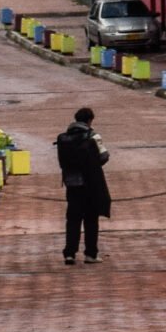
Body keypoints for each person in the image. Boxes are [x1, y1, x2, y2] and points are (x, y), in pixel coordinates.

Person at [55, 106, 111, 265]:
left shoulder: (64, 138)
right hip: (91, 183)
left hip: (72, 183)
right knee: (91, 219)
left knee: (72, 219)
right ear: (89, 120)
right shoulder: (93, 136)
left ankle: (69, 254)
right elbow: (104, 157)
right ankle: (90, 254)